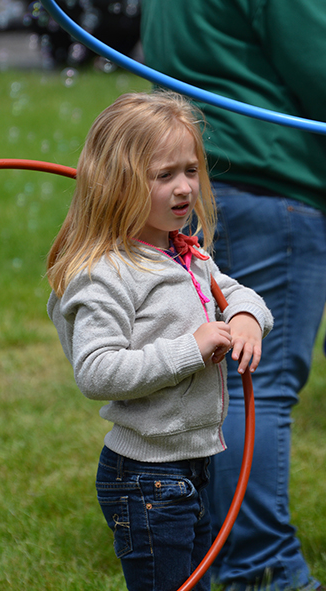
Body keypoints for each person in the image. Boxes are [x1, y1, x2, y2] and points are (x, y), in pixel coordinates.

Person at [46, 92, 273, 591]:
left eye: (191, 170)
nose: (184, 188)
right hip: (145, 479)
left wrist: (248, 318)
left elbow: (238, 294)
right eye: (164, 175)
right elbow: (97, 371)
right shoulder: (105, 273)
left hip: (193, 466)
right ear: (118, 182)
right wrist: (191, 349)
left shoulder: (185, 255)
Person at [141, 3, 326, 591]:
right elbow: (319, 67)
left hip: (204, 178)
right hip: (273, 178)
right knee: (257, 382)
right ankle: (260, 566)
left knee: (221, 373)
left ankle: (212, 548)